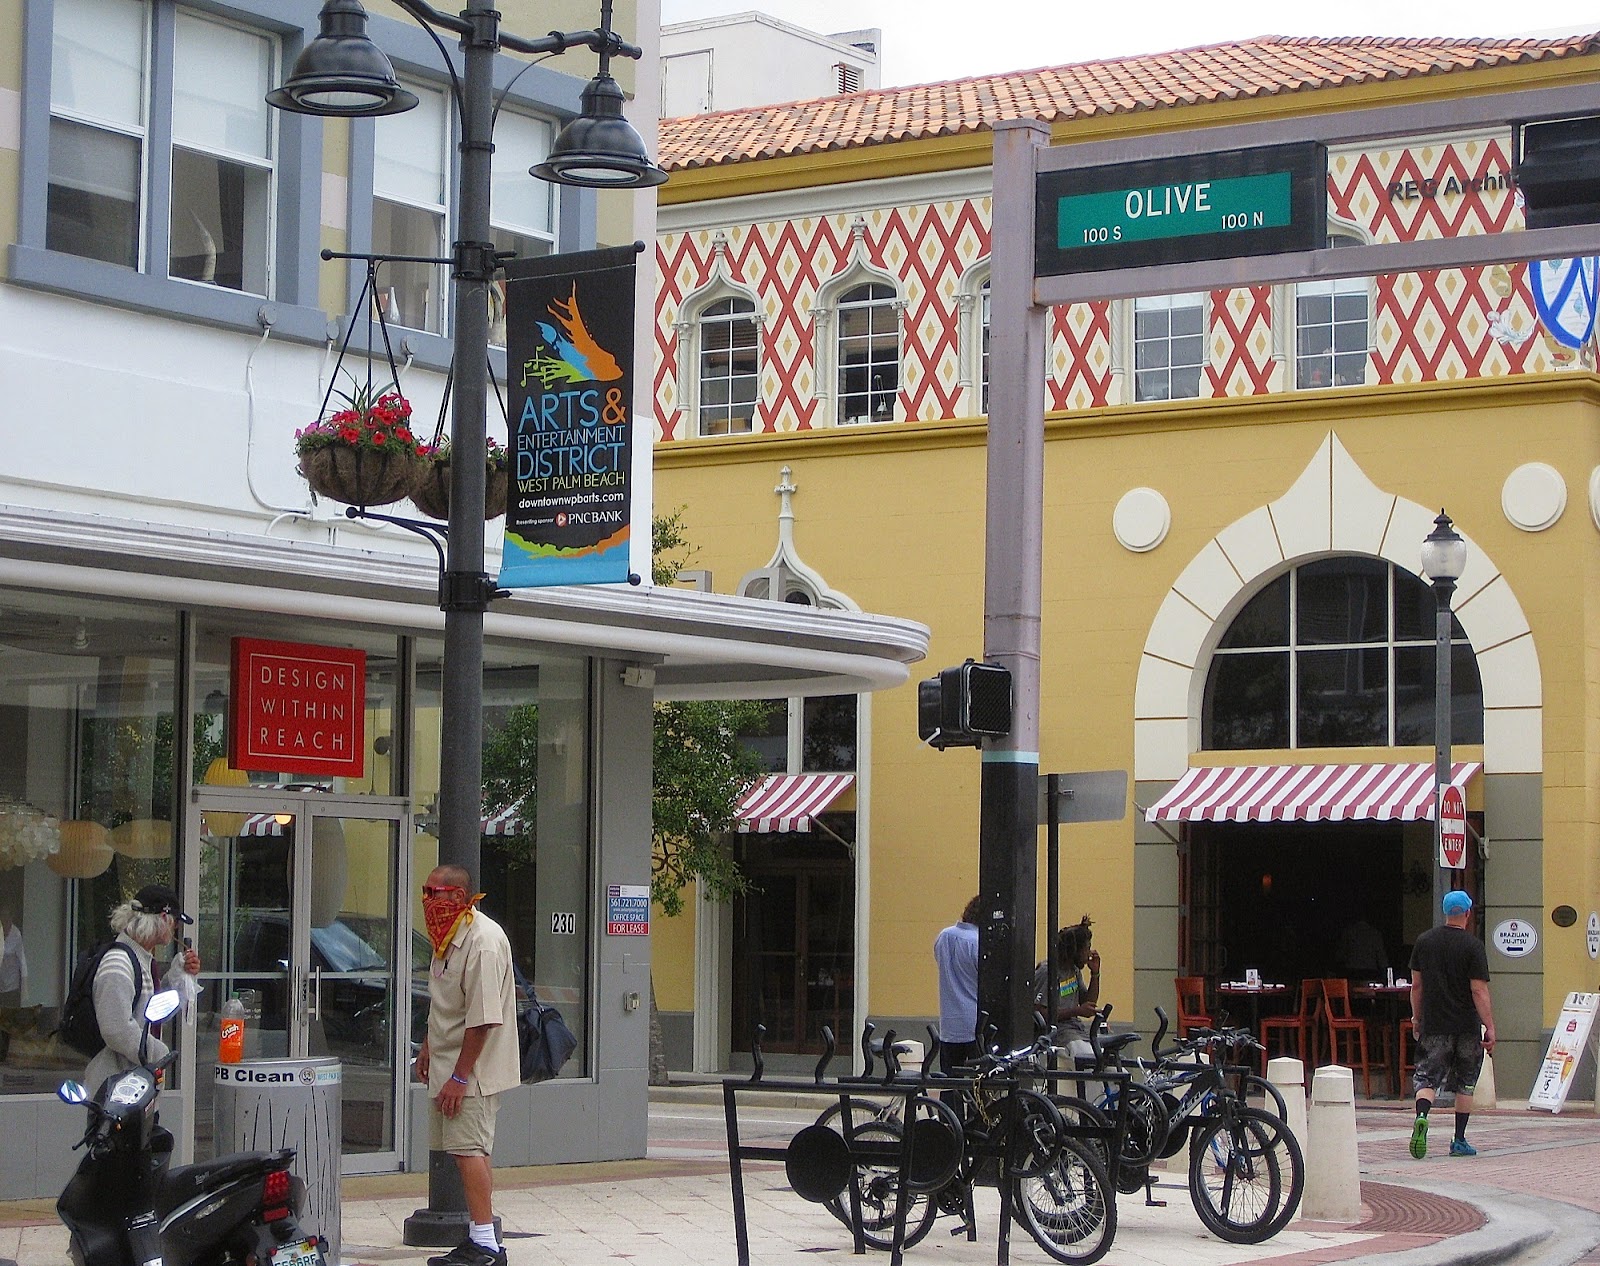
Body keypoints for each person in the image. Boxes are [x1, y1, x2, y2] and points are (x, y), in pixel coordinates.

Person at [415, 865, 519, 1266]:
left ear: (458, 897)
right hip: (448, 1063)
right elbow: (445, 1002)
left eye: (434, 892)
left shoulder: (483, 942)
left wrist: (460, 1077)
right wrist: (428, 1045)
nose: (428, 900)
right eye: (425, 891)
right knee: (465, 1150)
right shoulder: (447, 936)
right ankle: (481, 1237)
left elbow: (482, 1020)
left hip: (472, 1071)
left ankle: (487, 1245)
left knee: (469, 1149)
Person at [85, 884, 201, 1093]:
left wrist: (178, 977)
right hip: (114, 1091)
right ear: (164, 918)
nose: (176, 929)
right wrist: (159, 1054)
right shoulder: (118, 962)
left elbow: (152, 1011)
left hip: (132, 1085)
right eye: (175, 922)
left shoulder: (139, 959)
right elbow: (116, 1029)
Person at [1408, 889, 1495, 1160]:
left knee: (1426, 1077)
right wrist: (1489, 1026)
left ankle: (1422, 1117)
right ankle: (1459, 1140)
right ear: (1467, 913)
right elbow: (1478, 990)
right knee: (1465, 1082)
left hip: (1434, 1024)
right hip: (1467, 1025)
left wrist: (1416, 1018)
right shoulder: (1473, 946)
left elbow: (1417, 986)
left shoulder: (1424, 942)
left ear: (1446, 912)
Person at [1033, 914, 1100, 1060]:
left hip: (1076, 1029)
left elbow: (1087, 1002)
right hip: (1059, 1033)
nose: (1089, 953)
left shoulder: (1074, 970)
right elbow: (1038, 1012)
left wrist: (1095, 974)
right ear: (1075, 950)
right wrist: (1076, 1011)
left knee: (1104, 1058)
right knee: (1087, 1057)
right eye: (1086, 948)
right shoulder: (1048, 971)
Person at [933, 895, 982, 1074]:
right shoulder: (978, 942)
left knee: (950, 1081)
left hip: (949, 1025)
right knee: (980, 1081)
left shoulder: (943, 936)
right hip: (975, 1024)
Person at [1335, 913, 1388, 979]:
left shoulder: (1349, 932)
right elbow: (1381, 957)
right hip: (1370, 972)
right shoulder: (1375, 933)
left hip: (1352, 972)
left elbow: (1341, 955)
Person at [0, 903, 26, 1009]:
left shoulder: (16, 934)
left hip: (12, 986)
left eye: (7, 916)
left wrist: (24, 986)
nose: (4, 919)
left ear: (11, 917)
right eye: (2, 916)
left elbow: (22, 961)